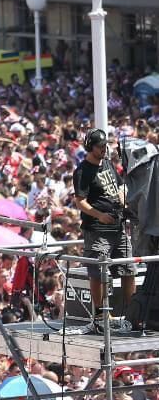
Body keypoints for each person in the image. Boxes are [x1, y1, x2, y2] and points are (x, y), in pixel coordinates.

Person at [73, 127, 136, 333]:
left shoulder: (107, 164)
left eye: (105, 145)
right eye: (100, 146)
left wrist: (123, 194)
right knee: (98, 271)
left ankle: (132, 312)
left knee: (128, 268)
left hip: (118, 226)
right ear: (90, 147)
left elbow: (119, 185)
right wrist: (99, 215)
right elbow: (80, 201)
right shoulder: (82, 171)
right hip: (98, 229)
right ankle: (100, 315)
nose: (104, 149)